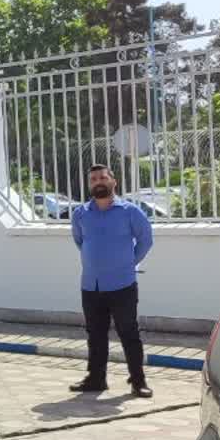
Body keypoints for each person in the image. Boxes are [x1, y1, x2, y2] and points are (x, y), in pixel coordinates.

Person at [69, 163, 155, 398]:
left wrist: (129, 262)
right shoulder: (80, 214)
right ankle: (96, 379)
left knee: (129, 333)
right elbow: (79, 241)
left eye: (102, 178)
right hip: (91, 285)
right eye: (94, 179)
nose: (98, 182)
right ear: (90, 185)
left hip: (122, 285)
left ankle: (138, 381)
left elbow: (146, 240)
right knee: (95, 334)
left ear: (113, 182)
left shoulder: (130, 211)